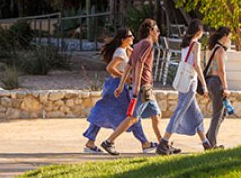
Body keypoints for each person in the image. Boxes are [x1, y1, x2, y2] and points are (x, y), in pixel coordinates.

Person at [100, 18, 174, 156]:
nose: (158, 33)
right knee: (133, 117)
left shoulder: (138, 44)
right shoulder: (147, 44)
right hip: (143, 87)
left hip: (145, 87)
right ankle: (109, 141)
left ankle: (163, 145)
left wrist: (121, 85)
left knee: (156, 114)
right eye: (157, 30)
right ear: (151, 30)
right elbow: (139, 63)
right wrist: (137, 86)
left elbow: (129, 65)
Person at [82, 28, 158, 154]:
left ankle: (90, 143)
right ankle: (145, 143)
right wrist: (125, 77)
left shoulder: (124, 50)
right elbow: (110, 68)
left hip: (115, 86)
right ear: (123, 40)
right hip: (116, 87)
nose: (133, 38)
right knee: (132, 115)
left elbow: (135, 55)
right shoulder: (120, 52)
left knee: (113, 114)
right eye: (130, 36)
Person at [157, 19, 211, 155]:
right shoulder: (196, 45)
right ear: (199, 32)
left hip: (183, 83)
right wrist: (204, 85)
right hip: (190, 83)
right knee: (180, 111)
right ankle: (164, 142)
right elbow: (196, 65)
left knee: (196, 115)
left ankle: (206, 143)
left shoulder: (185, 44)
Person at [203, 26, 231, 150]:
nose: (230, 40)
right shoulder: (220, 50)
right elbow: (221, 71)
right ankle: (211, 143)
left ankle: (209, 136)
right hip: (216, 82)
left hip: (210, 82)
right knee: (218, 114)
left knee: (222, 112)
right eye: (229, 37)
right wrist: (225, 87)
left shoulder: (213, 48)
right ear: (224, 36)